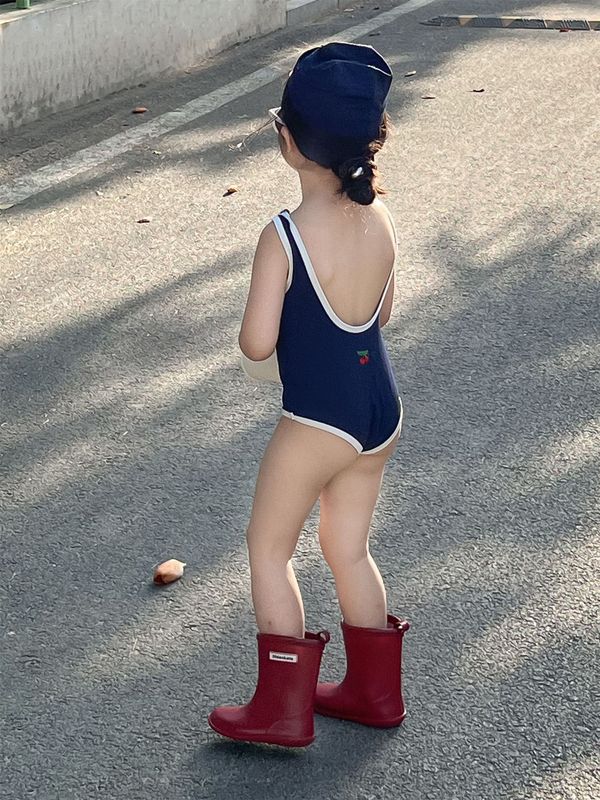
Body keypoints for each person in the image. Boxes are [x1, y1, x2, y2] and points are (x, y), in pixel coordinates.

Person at [208, 42, 410, 748]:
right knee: (347, 547)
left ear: (289, 141)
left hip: (317, 419)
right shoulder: (380, 217)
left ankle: (282, 710)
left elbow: (256, 343)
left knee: (269, 549)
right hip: (379, 411)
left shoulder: (284, 235)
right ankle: (374, 693)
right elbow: (381, 313)